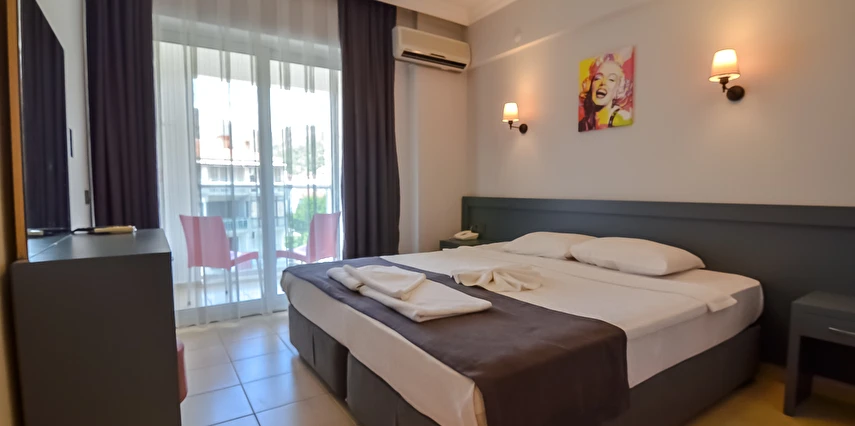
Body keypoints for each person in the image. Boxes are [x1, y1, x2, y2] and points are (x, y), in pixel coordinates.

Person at [578, 55, 633, 132]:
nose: (603, 83)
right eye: (597, 78)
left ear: (618, 89)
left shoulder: (623, 117)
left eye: (611, 79)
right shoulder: (583, 124)